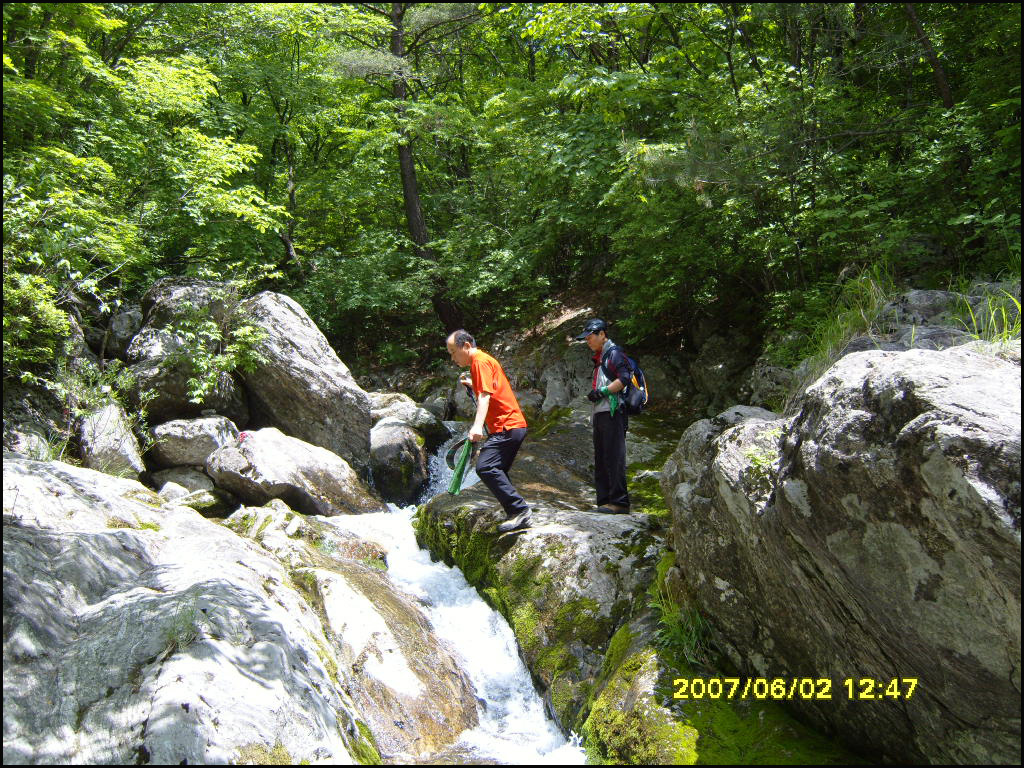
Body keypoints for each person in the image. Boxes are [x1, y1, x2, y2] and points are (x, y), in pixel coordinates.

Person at [445, 329, 532, 532]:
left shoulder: (480, 361)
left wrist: (476, 427)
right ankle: (515, 511)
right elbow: (488, 387)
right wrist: (471, 383)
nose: (452, 357)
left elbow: (485, 396)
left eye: (452, 352)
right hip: (511, 426)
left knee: (486, 467)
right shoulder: (481, 362)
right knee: (496, 469)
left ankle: (520, 511)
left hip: (507, 426)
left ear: (466, 346)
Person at [575, 318, 631, 514]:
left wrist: (603, 392)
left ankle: (620, 502)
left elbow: (625, 378)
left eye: (590, 337)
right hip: (601, 413)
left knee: (614, 456)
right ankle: (604, 501)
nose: (588, 341)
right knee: (602, 457)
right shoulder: (601, 356)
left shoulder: (614, 353)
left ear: (602, 334)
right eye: (586, 338)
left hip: (613, 412)